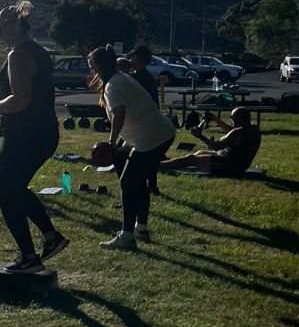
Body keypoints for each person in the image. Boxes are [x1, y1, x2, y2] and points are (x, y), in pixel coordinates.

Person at [0, 1, 68, 272]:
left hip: (25, 134)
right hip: (42, 132)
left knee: (7, 193)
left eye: (1, 30)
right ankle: (51, 238)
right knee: (15, 188)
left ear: (15, 26)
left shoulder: (18, 54)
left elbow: (20, 100)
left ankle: (29, 257)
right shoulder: (38, 52)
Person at [88, 45, 175, 249]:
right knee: (137, 183)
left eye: (93, 66)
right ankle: (141, 230)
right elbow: (139, 108)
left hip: (151, 136)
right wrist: (128, 142)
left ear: (101, 65)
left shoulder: (112, 85)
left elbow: (119, 113)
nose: (92, 71)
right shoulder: (122, 78)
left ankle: (127, 237)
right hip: (161, 132)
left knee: (128, 182)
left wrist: (112, 142)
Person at [160, 107, 261, 177]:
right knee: (199, 152)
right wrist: (214, 119)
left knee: (191, 159)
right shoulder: (253, 129)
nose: (230, 119)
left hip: (228, 166)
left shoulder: (238, 132)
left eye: (232, 117)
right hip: (238, 164)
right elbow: (231, 131)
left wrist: (200, 137)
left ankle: (159, 165)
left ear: (238, 118)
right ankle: (167, 163)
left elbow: (216, 146)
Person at [127, 45, 162, 196]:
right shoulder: (144, 76)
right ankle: (152, 186)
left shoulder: (139, 77)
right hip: (150, 119)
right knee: (149, 156)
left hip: (146, 120)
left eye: (132, 57)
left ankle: (141, 187)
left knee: (144, 156)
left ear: (139, 60)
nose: (130, 60)